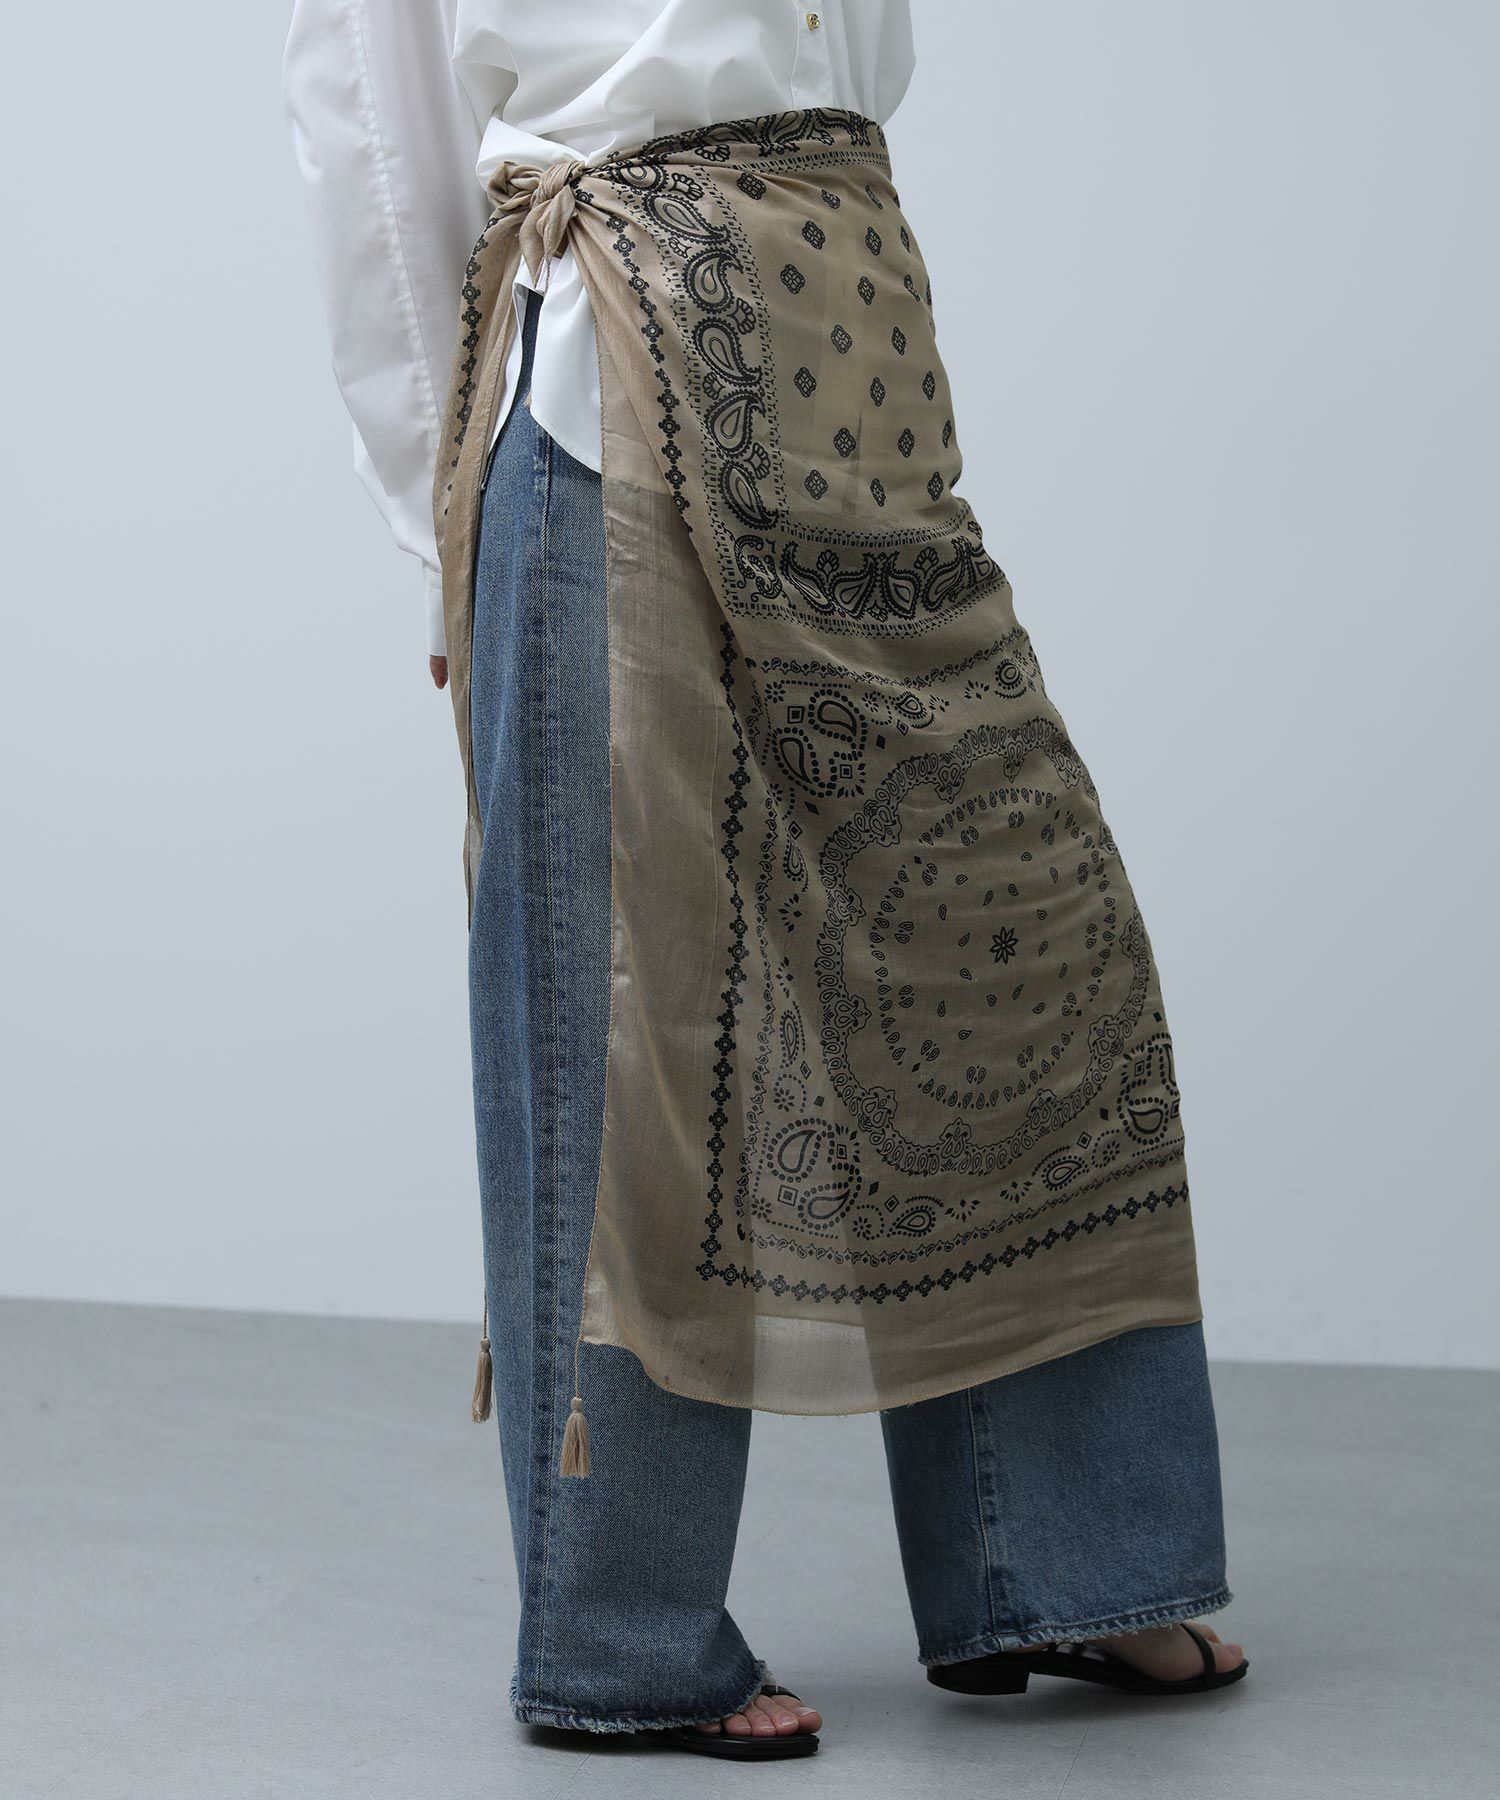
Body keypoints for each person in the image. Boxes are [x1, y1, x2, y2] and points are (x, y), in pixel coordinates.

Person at [283, 0, 1248, 1762]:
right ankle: (622, 1631)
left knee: (1015, 940)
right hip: (603, 371)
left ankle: (1056, 1557)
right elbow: (372, 115)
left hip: (855, 340)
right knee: (626, 1011)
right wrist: (442, 521)